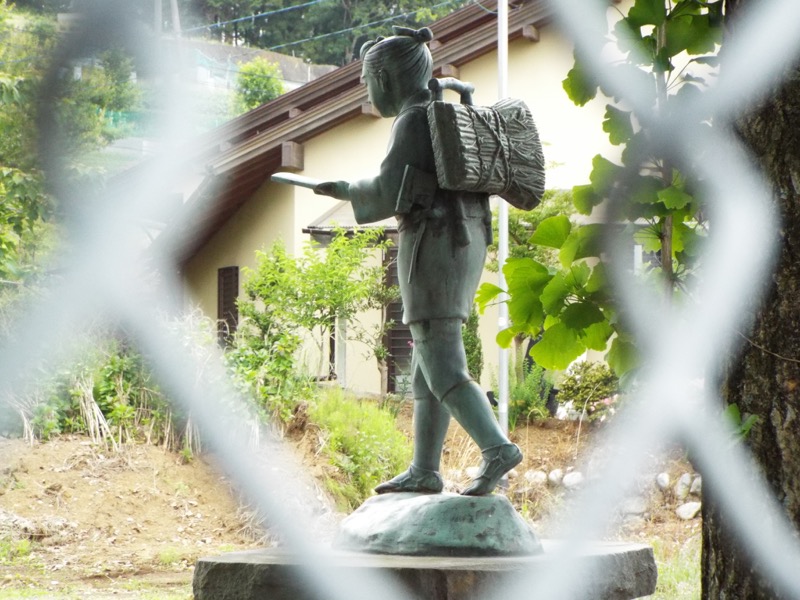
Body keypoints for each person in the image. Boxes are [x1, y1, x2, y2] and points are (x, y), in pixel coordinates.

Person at [314, 26, 521, 496]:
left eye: (368, 81)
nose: (367, 92)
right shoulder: (439, 113)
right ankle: (425, 468)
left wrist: (345, 190)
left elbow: (390, 191)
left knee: (441, 358)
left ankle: (496, 449)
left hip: (434, 243)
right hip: (463, 238)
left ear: (386, 78)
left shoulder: (412, 121)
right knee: (427, 368)